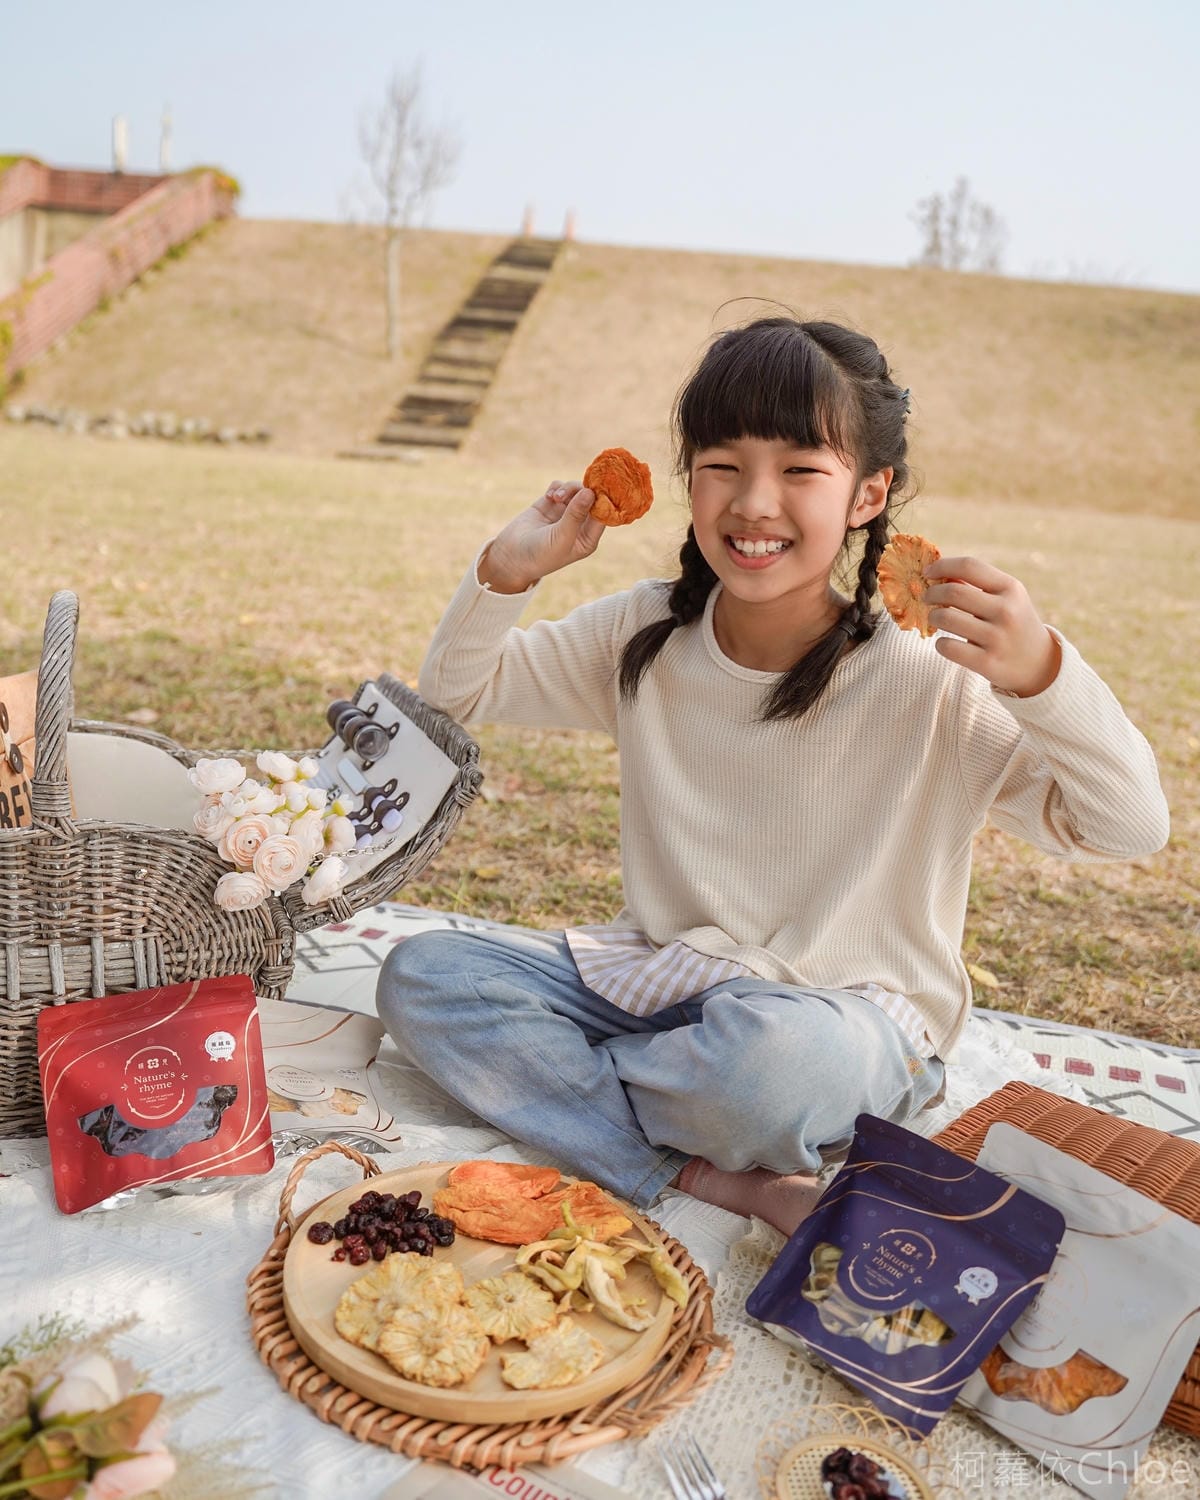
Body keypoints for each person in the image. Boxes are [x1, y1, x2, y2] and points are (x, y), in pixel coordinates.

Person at [377, 316, 1169, 1235]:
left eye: (800, 470)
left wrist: (1044, 677)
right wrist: (507, 571)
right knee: (424, 975)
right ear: (690, 480)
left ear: (868, 494)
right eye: (723, 465)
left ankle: (587, 1098)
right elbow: (457, 694)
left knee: (766, 1074)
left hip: (838, 1020)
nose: (754, 503)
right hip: (667, 985)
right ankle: (705, 1171)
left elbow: (1127, 828)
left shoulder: (933, 677)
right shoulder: (645, 636)